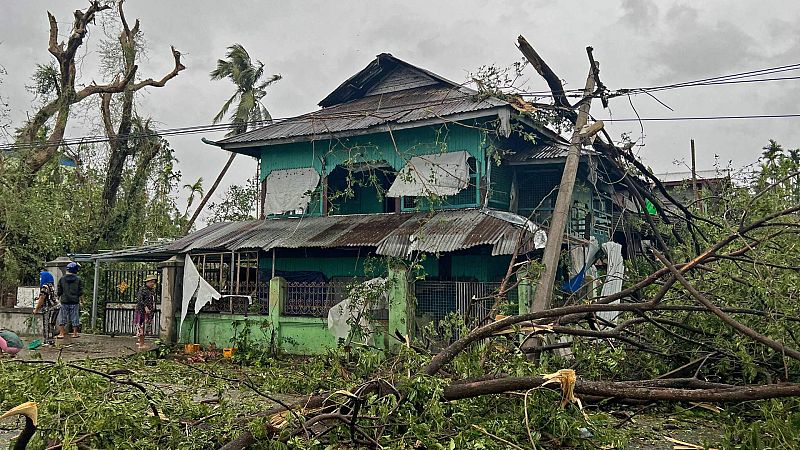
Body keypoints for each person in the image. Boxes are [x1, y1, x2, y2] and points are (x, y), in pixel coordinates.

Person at [33, 270, 59, 345]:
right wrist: (39, 298)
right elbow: (49, 296)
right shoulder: (50, 285)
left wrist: (36, 309)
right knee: (52, 324)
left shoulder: (44, 287)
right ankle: (51, 339)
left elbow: (42, 298)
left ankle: (48, 340)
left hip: (50, 308)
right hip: (56, 307)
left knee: (47, 324)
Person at [57, 262, 83, 338]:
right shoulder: (78, 279)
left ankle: (61, 333)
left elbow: (59, 291)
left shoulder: (62, 279)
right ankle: (75, 333)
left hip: (64, 301)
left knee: (62, 317)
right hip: (74, 301)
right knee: (75, 317)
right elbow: (80, 292)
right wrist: (82, 301)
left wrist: (57, 299)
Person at [134, 274, 157, 349]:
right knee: (141, 327)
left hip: (148, 312)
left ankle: (141, 342)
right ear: (147, 282)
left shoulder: (151, 291)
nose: (152, 284)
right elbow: (139, 300)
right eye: (151, 282)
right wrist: (145, 307)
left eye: (153, 282)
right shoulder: (142, 289)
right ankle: (141, 344)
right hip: (141, 312)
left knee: (145, 327)